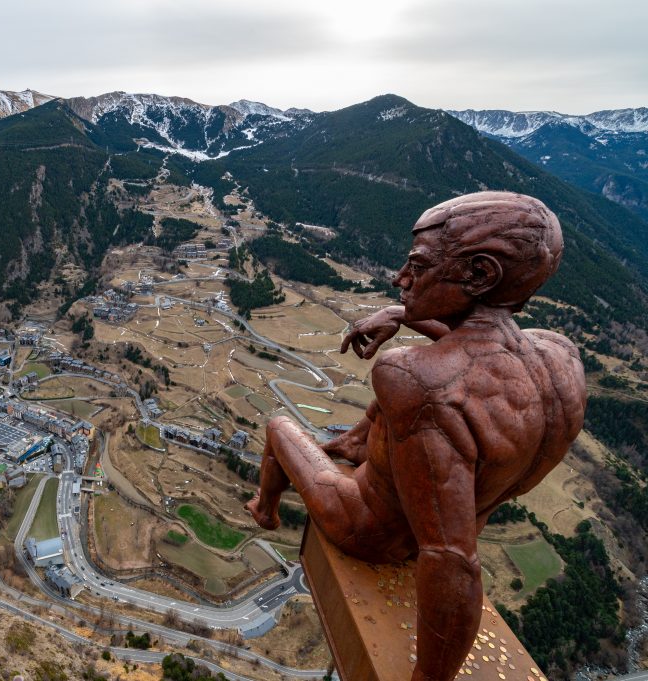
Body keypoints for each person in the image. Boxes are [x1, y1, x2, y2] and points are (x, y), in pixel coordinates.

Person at [245, 192, 586, 681]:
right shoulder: (560, 361)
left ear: (479, 275)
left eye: (418, 267)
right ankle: (354, 445)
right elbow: (478, 342)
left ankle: (264, 511)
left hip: (372, 529)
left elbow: (451, 558)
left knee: (280, 428)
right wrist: (402, 314)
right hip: (450, 512)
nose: (400, 279)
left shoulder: (415, 379)